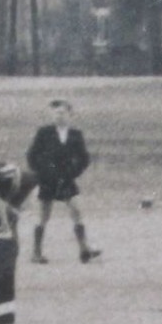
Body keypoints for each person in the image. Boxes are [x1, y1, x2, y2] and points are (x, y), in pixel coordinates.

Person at [26, 99, 101, 264]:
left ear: (70, 114)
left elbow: (84, 158)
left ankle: (84, 249)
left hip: (66, 179)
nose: (58, 116)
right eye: (55, 113)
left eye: (62, 113)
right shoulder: (43, 133)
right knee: (42, 217)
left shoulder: (75, 135)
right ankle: (36, 253)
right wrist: (42, 173)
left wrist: (73, 172)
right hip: (47, 180)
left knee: (77, 211)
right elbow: (31, 156)